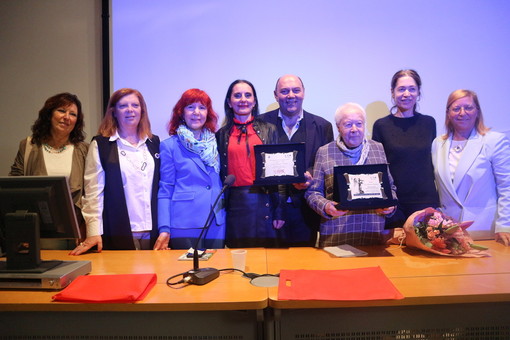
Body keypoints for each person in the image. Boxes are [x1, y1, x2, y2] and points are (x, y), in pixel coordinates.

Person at [70, 88, 163, 255]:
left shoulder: (153, 142)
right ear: (113, 111)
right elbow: (93, 193)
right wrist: (93, 232)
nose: (130, 110)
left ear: (142, 110)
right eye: (123, 106)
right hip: (117, 230)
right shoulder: (101, 145)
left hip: (152, 231)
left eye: (135, 105)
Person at [305, 103, 397, 247]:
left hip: (372, 232)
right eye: (348, 124)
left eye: (359, 124)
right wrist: (326, 206)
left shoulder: (377, 148)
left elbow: (390, 188)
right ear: (338, 127)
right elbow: (313, 193)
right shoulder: (325, 152)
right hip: (335, 234)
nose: (354, 129)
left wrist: (390, 206)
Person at [260, 75, 333, 247]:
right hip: (268, 211)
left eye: (296, 90)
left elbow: (327, 167)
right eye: (284, 91)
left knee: (303, 266)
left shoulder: (323, 126)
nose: (290, 95)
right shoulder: (260, 124)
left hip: (306, 210)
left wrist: (311, 176)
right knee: (268, 267)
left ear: (303, 93)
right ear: (275, 95)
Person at [9, 92, 89, 248]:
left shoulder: (84, 150)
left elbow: (92, 193)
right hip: (38, 233)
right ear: (49, 114)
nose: (67, 117)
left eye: (73, 114)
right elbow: (14, 189)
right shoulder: (28, 146)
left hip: (77, 234)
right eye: (61, 111)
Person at [432, 89, 510, 246]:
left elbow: (506, 187)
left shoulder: (494, 141)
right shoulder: (438, 143)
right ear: (448, 113)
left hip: (485, 230)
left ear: (477, 111)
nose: (462, 113)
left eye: (468, 107)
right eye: (456, 109)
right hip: (449, 231)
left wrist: (505, 225)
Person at [216, 79, 284, 248]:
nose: (243, 99)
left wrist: (279, 210)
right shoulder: (221, 135)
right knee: (238, 261)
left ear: (254, 102)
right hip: (235, 204)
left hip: (265, 200)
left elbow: (280, 174)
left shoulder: (270, 130)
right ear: (229, 102)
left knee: (266, 263)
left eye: (248, 95)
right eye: (237, 95)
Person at [157, 89, 225, 250]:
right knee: (188, 272)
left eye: (202, 108)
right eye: (190, 107)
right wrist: (164, 228)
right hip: (185, 221)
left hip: (217, 220)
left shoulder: (217, 142)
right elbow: (165, 189)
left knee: (218, 271)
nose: (196, 113)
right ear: (181, 113)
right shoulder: (169, 146)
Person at [372, 69, 439, 228]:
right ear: (392, 92)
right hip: (394, 203)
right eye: (401, 89)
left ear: (418, 92)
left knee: (426, 249)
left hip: (425, 201)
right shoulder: (381, 125)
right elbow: (377, 167)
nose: (406, 94)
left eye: (412, 89)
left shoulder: (429, 123)